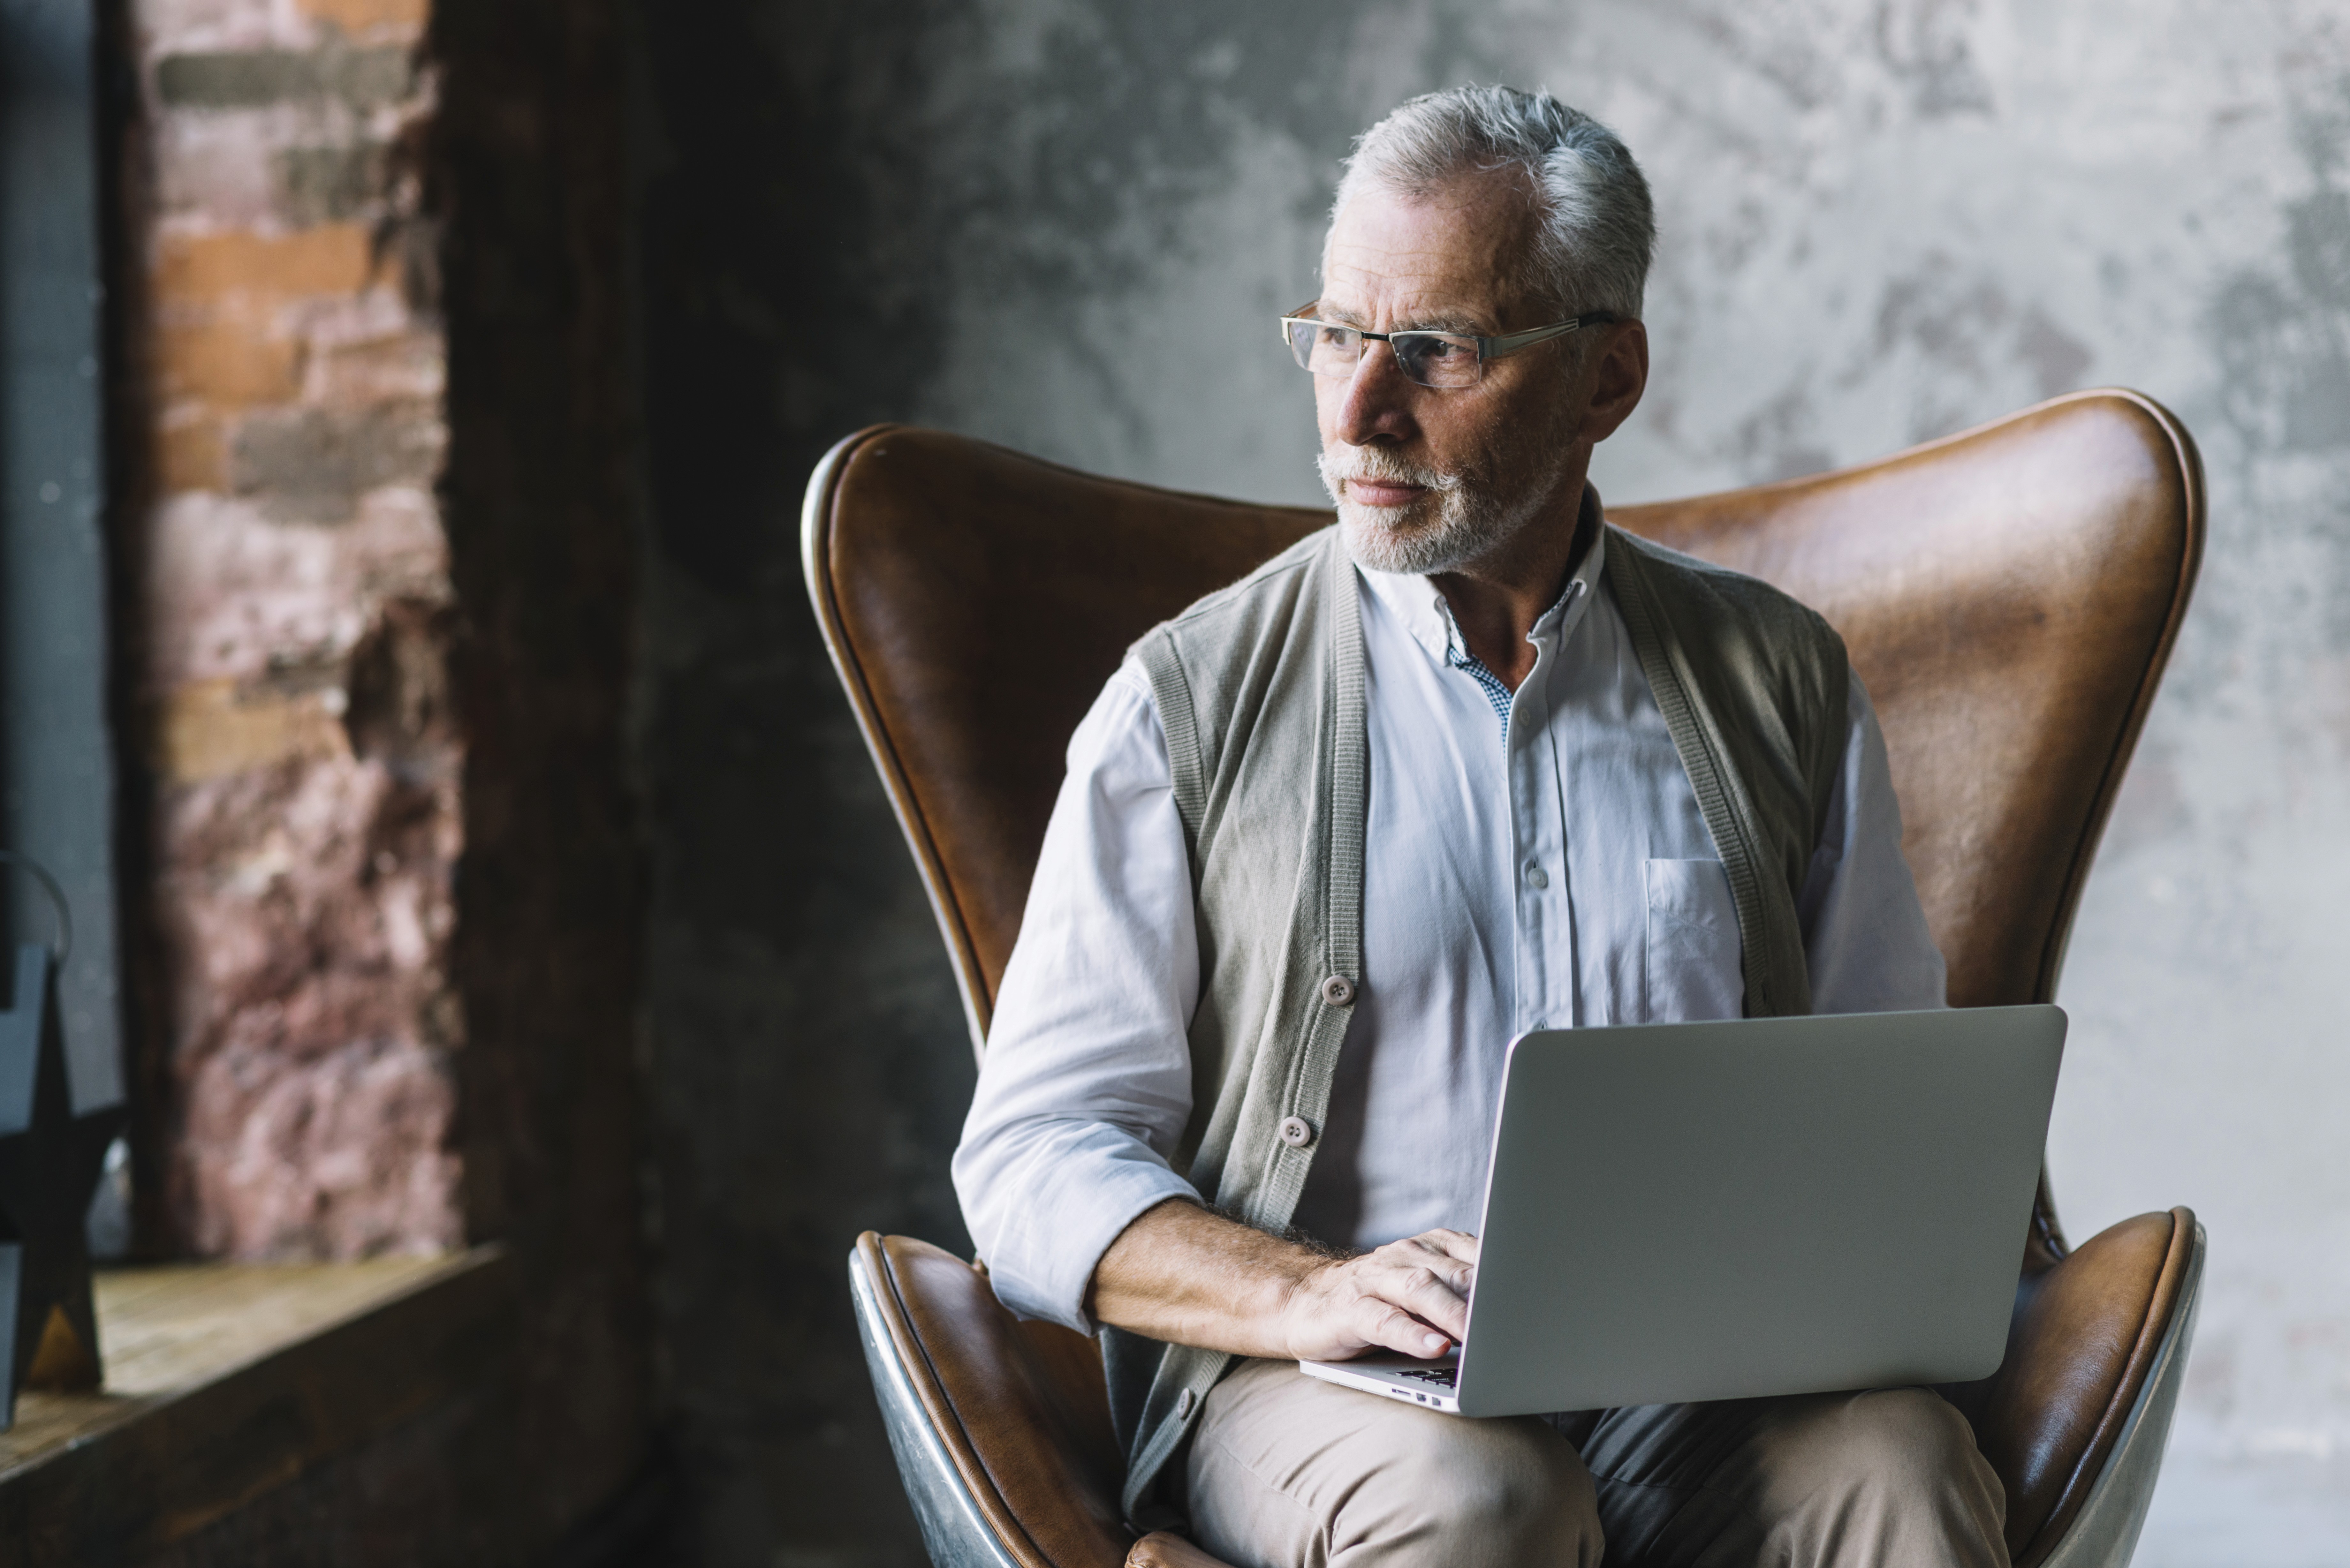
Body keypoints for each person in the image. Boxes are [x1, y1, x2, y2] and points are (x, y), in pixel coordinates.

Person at [952, 85, 2005, 1568]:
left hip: (1695, 1393)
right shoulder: (1178, 702)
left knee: (1906, 1466)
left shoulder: (1777, 677)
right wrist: (1302, 1293)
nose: (1355, 409)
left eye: (1435, 349)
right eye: (1334, 331)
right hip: (1317, 1387)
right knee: (1487, 1501)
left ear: (1603, 377)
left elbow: (1889, 1099)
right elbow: (1034, 1156)